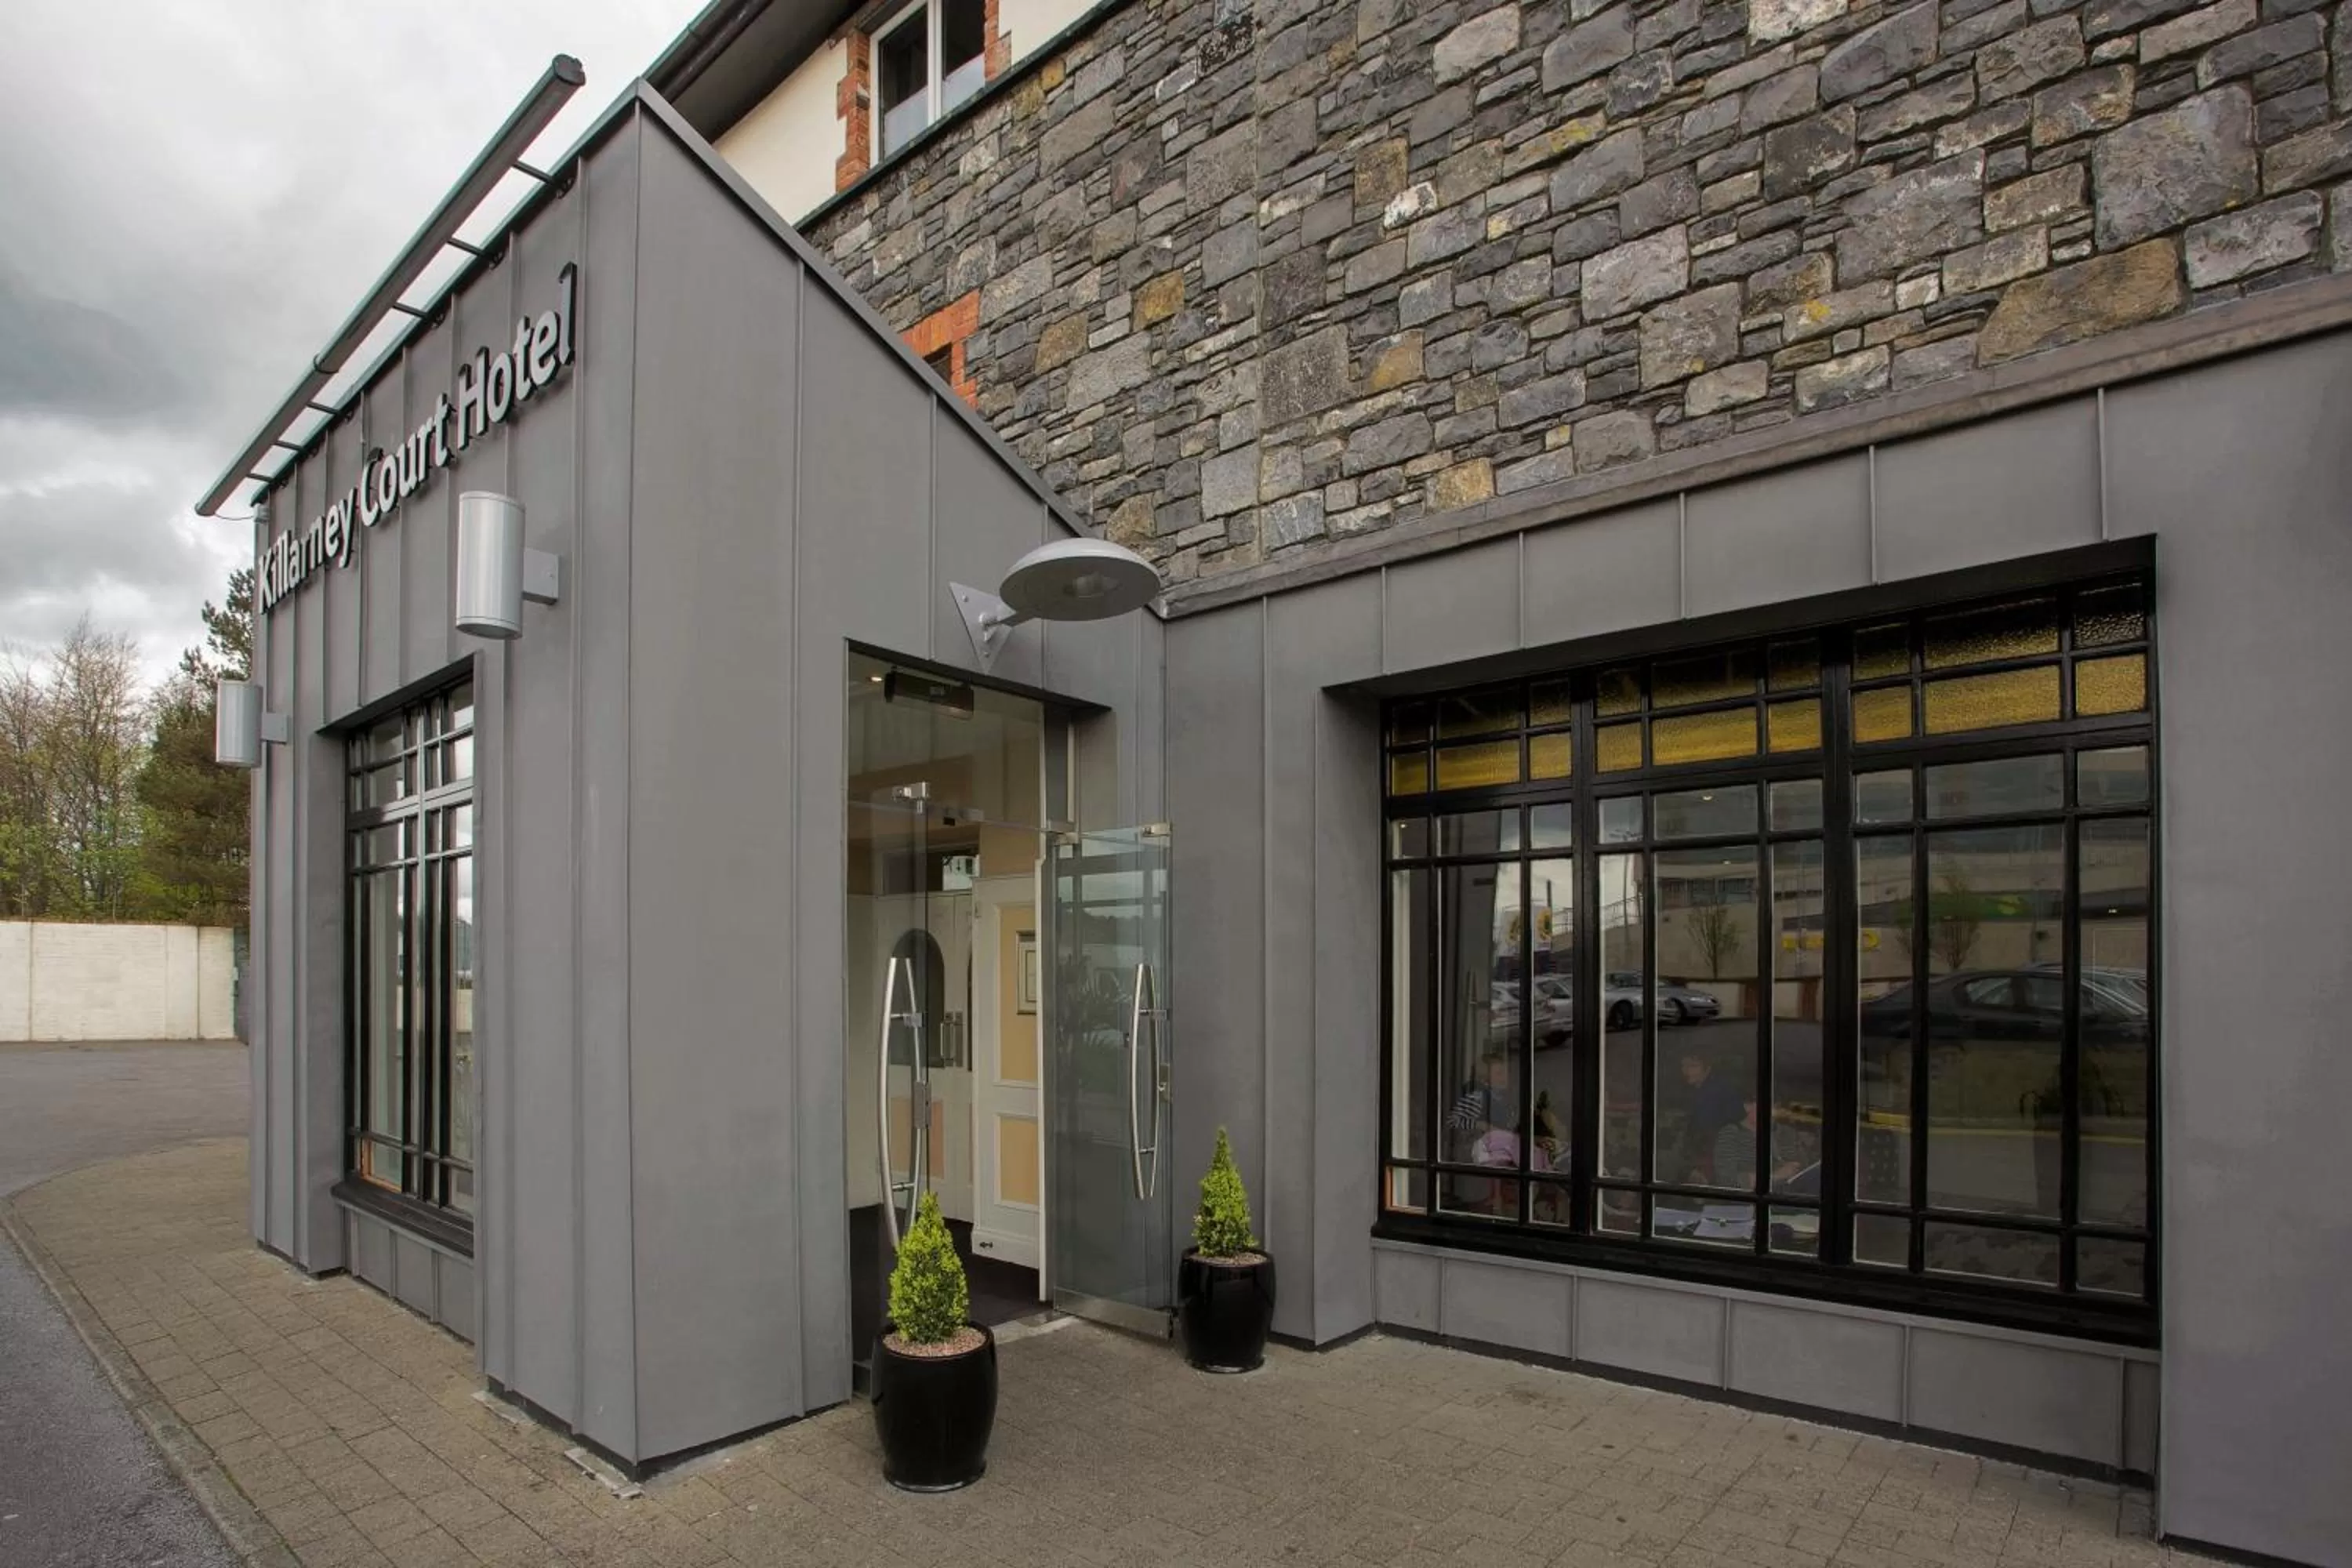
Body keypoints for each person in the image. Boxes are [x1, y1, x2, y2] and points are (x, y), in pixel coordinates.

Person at [1679, 1051, 1744, 1182]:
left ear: (1707, 1069)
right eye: (1684, 1066)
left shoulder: (1713, 1093)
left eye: (1693, 1066)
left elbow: (1707, 1134)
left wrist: (1699, 1168)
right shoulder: (1699, 1090)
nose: (1686, 1071)